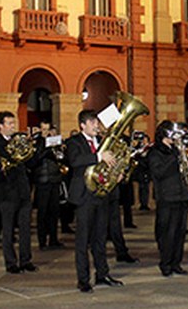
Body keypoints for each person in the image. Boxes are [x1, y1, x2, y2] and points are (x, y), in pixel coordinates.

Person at [66, 110, 123, 292]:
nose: (96, 126)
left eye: (97, 123)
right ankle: (83, 279)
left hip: (101, 195)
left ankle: (102, 274)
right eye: (92, 123)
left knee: (100, 238)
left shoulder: (103, 142)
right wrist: (99, 157)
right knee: (83, 240)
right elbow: (75, 161)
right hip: (84, 196)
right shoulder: (74, 142)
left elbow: (107, 165)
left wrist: (116, 173)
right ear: (82, 125)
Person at [0, 111, 39, 274]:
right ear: (1, 126)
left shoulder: (18, 140)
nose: (13, 126)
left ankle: (26, 260)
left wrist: (33, 148)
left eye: (14, 123)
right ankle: (11, 262)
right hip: (6, 191)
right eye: (10, 123)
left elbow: (32, 162)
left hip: (23, 190)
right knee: (8, 229)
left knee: (25, 228)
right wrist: (0, 168)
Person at [148, 121, 188, 277]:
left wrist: (186, 158)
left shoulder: (175, 150)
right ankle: (165, 264)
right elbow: (159, 172)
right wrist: (176, 157)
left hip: (181, 195)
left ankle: (176, 263)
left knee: (180, 233)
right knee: (167, 233)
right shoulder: (155, 152)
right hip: (167, 196)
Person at [32, 121, 65, 250]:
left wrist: (58, 148)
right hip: (42, 180)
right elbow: (36, 159)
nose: (46, 131)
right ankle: (42, 240)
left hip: (54, 179)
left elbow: (61, 157)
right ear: (40, 129)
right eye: (43, 129)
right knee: (43, 213)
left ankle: (53, 239)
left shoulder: (54, 142)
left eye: (47, 129)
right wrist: (45, 145)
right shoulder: (37, 142)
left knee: (54, 212)